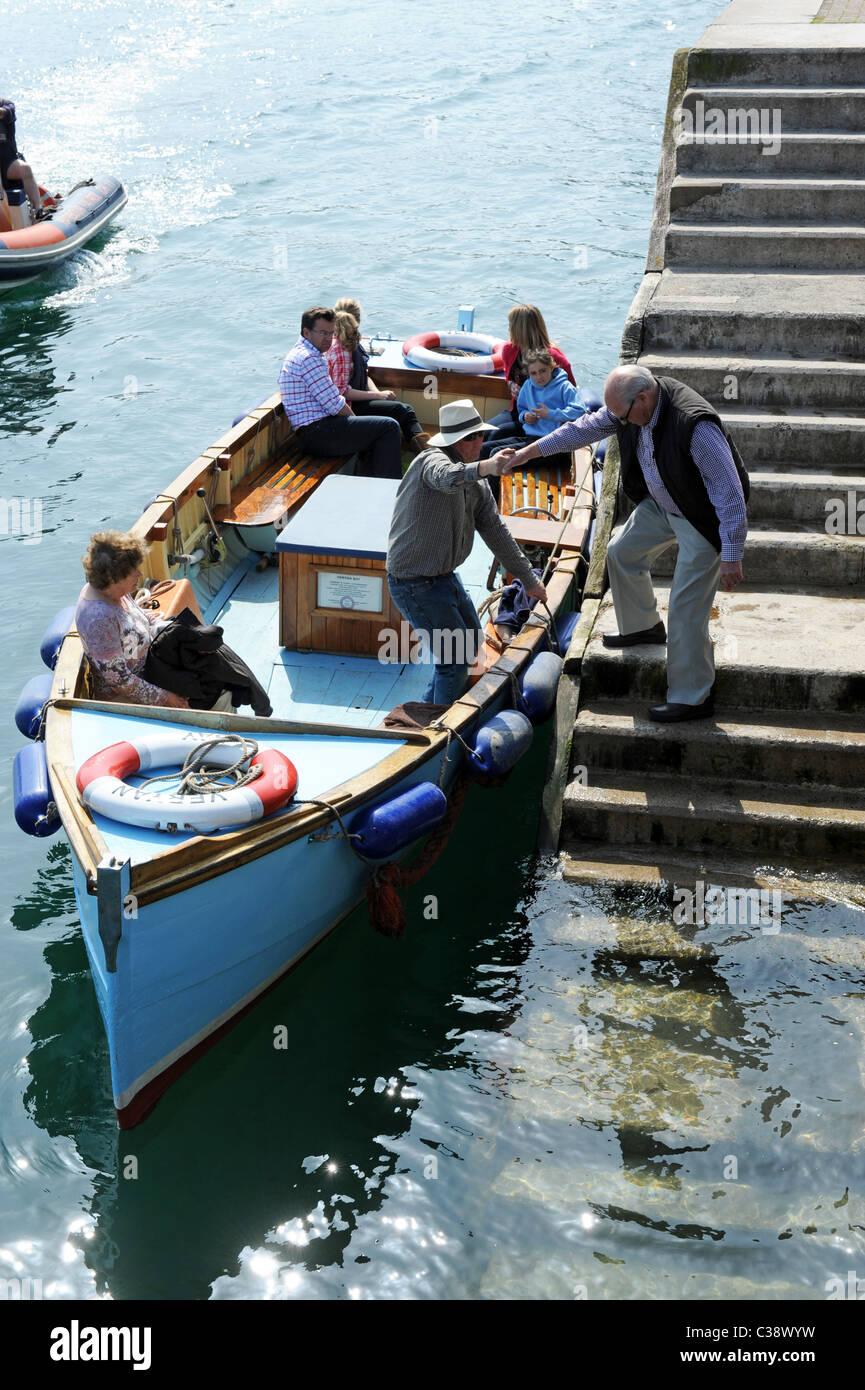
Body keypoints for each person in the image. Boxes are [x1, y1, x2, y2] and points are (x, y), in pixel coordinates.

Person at [499, 364, 748, 723]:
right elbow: (581, 430)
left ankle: (693, 697)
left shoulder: (695, 426)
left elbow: (730, 494)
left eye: (623, 415)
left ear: (643, 398)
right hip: (665, 501)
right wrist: (528, 453)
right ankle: (643, 626)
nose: (619, 423)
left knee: (685, 608)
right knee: (619, 553)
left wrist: (732, 555)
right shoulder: (627, 410)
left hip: (702, 516)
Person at [386, 399, 547, 705]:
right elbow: (447, 478)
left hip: (442, 577)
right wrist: (488, 466)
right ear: (457, 442)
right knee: (455, 662)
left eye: (482, 435)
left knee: (471, 645)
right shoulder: (430, 463)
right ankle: (441, 735)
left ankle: (427, 714)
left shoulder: (478, 484)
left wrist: (529, 580)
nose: (481, 442)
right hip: (413, 583)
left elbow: (496, 533)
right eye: (474, 437)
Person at [278, 306, 402, 479]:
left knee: (376, 429)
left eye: (331, 333)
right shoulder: (309, 359)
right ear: (306, 333)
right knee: (388, 427)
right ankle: (389, 489)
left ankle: (372, 480)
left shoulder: (303, 353)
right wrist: (357, 424)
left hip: (316, 431)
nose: (328, 339)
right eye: (323, 333)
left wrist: (360, 427)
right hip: (317, 433)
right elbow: (335, 404)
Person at [75, 532, 190, 708]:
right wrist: (167, 698)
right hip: (128, 698)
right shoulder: (99, 620)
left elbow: (145, 620)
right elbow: (120, 681)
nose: (140, 573)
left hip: (154, 668)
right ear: (114, 577)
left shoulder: (114, 591)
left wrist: (176, 631)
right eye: (133, 571)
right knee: (214, 696)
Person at [480, 303, 577, 460]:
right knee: (484, 432)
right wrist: (511, 385)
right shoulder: (509, 350)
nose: (508, 329)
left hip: (545, 419)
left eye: (511, 325)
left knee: (496, 435)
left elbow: (570, 391)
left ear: (521, 329)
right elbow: (509, 377)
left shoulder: (554, 358)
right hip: (520, 411)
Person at [333, 297, 430, 453]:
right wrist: (377, 396)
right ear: (358, 319)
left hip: (358, 400)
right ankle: (428, 455)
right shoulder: (341, 349)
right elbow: (342, 391)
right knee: (404, 411)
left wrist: (378, 393)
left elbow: (364, 376)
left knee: (399, 413)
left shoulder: (351, 342)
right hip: (349, 408)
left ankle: (422, 453)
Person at [485, 347, 586, 469]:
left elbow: (580, 411)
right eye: (533, 373)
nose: (539, 376)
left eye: (542, 371)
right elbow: (521, 408)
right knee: (490, 445)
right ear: (529, 373)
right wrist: (525, 416)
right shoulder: (528, 385)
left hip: (554, 446)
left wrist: (550, 414)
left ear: (552, 367)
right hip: (531, 439)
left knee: (497, 456)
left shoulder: (565, 387)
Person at [0, 99, 43, 221]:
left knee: (25, 169)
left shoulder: (7, 106)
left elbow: (4, 113)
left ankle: (38, 209)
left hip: (8, 163)